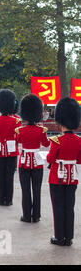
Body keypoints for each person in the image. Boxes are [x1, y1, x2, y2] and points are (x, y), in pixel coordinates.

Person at [47, 97, 80, 246]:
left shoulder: (56, 141)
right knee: (69, 207)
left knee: (58, 207)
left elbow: (49, 159)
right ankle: (69, 237)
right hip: (72, 177)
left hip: (57, 178)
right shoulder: (79, 141)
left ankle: (59, 237)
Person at [16, 94, 50, 223]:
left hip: (24, 162)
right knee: (37, 190)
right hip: (37, 163)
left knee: (25, 190)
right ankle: (36, 215)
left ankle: (26, 215)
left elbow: (18, 140)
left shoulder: (20, 130)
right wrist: (42, 129)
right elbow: (46, 144)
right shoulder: (42, 130)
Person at [0, 89, 20, 206]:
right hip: (12, 152)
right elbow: (18, 138)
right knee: (9, 176)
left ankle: (1, 198)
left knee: (0, 176)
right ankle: (9, 200)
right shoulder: (16, 121)